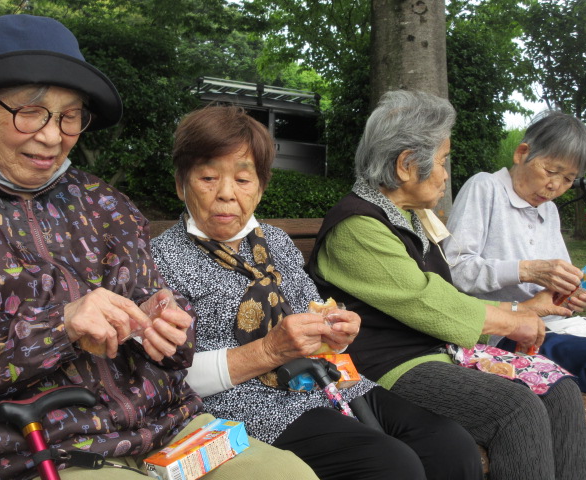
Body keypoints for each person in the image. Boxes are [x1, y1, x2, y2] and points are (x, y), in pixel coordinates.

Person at [0, 14, 318, 480]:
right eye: (29, 111)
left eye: (70, 115)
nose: (52, 135)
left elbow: (166, 327)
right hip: (43, 447)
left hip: (169, 426)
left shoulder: (105, 204)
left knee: (288, 475)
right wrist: (62, 325)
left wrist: (169, 324)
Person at [150, 105, 483, 480]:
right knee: (390, 464)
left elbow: (314, 314)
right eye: (208, 178)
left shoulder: (274, 241)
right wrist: (268, 350)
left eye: (243, 181)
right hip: (238, 406)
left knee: (448, 443)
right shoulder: (161, 260)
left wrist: (335, 330)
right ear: (181, 183)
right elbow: (168, 377)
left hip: (320, 381)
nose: (226, 194)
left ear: (260, 188)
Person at [307, 90, 586, 480]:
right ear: (407, 165)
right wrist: (514, 321)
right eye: (442, 162)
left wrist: (527, 310)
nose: (445, 175)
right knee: (515, 407)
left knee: (559, 391)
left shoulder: (410, 216)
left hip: (442, 352)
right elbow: (428, 301)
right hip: (389, 366)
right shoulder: (357, 227)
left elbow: (446, 295)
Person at [443, 110, 586, 407]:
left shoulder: (549, 210)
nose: (555, 186)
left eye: (568, 179)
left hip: (559, 325)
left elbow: (554, 286)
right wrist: (527, 270)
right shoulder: (486, 188)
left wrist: (574, 293)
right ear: (522, 153)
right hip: (510, 332)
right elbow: (455, 269)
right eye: (551, 171)